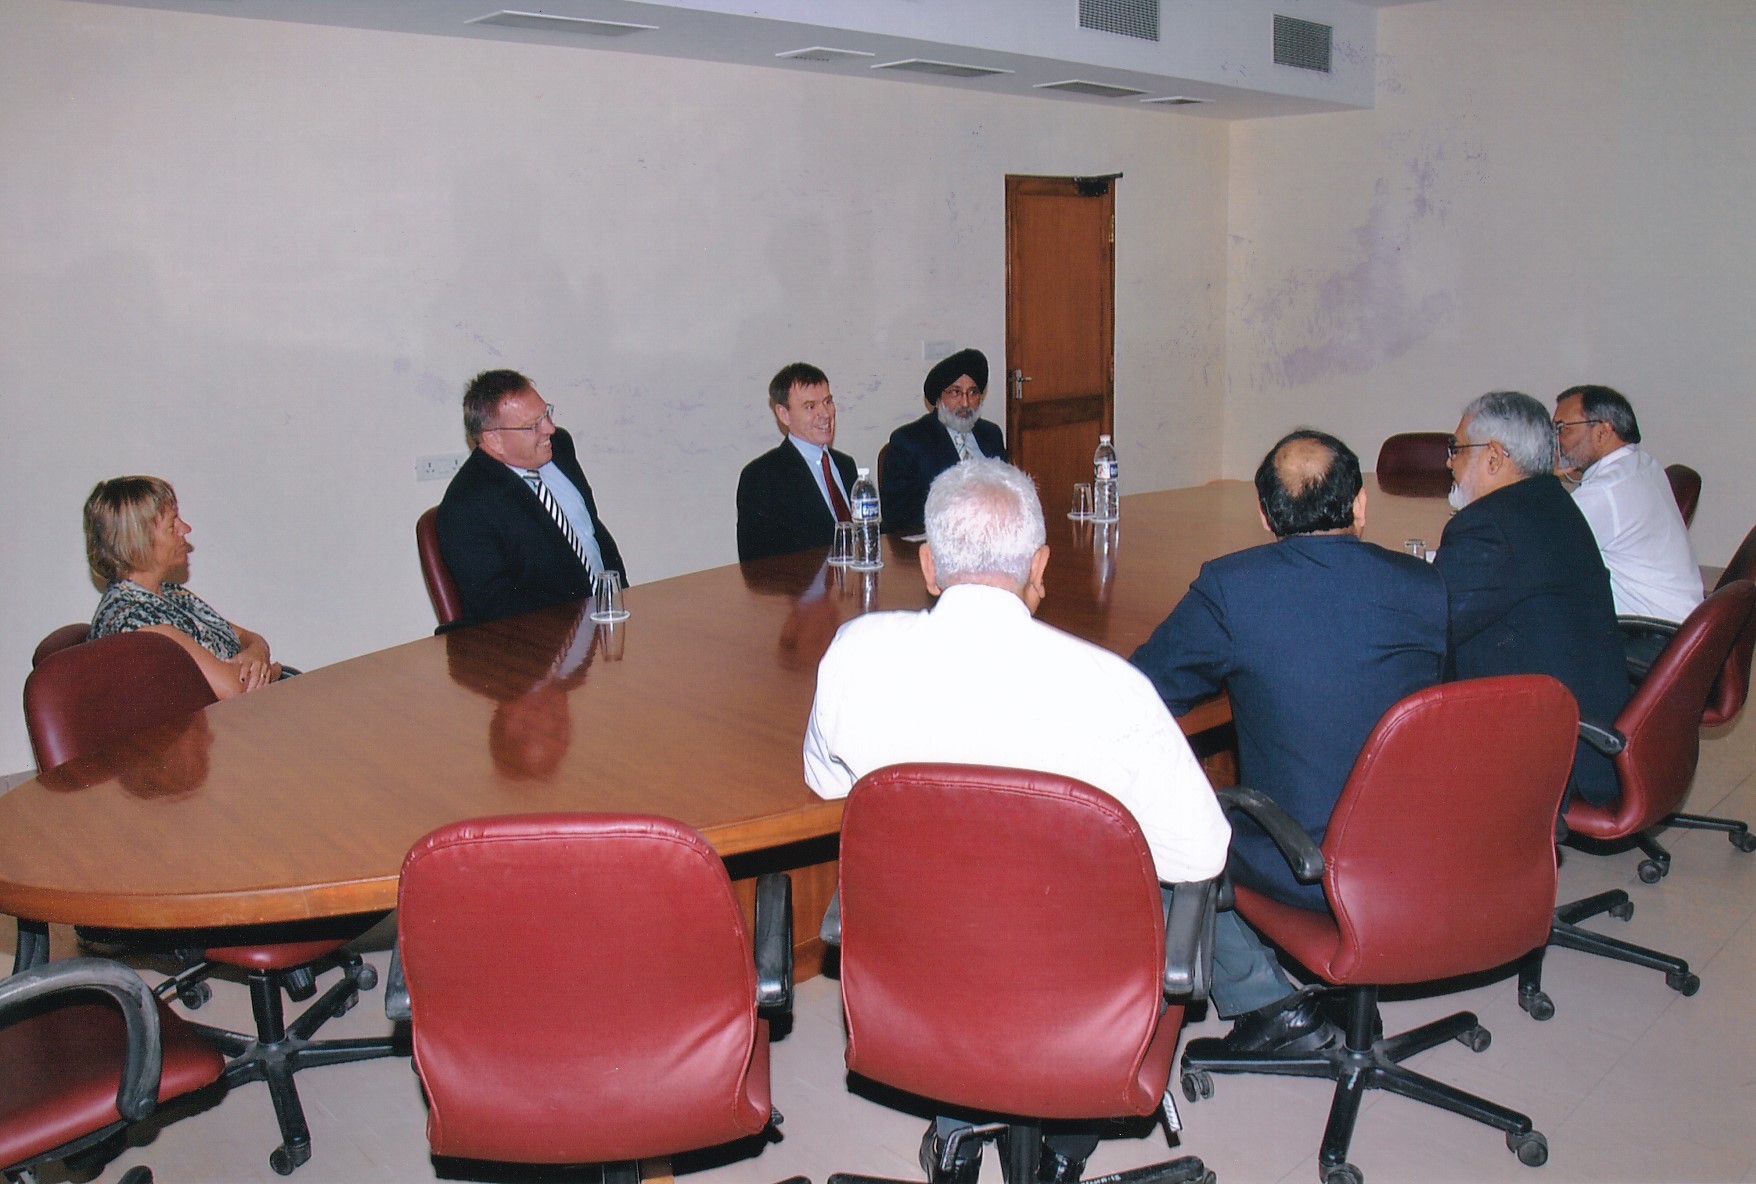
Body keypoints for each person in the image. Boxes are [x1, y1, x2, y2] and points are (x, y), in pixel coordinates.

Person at [804, 459, 1229, 1184]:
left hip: (920, 978)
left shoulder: (855, 654)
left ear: (929, 567)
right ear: (1040, 566)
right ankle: (1066, 1144)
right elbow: (1202, 854)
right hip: (1072, 998)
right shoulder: (1112, 689)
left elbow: (826, 782)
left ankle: (960, 1124)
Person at [1130, 430, 1447, 1055]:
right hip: (1419, 848)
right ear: (1360, 505)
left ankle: (1266, 1002)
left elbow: (1147, 691)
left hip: (1307, 865)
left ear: (1264, 515)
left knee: (1159, 819)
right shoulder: (1425, 586)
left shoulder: (1234, 587)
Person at [1437, 390, 1630, 805]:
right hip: (1591, 727)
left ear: (1493, 457)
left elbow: (1430, 625)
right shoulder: (1551, 501)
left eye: (1457, 449)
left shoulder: (1489, 525)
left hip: (1552, 753)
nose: (1449, 462)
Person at [436, 369, 626, 626]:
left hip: (609, 615)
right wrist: (581, 627)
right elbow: (496, 605)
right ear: (494, 439)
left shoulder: (559, 447)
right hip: (545, 638)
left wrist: (620, 599)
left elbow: (590, 531)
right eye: (532, 425)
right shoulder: (466, 506)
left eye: (546, 413)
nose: (549, 428)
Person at [84, 475, 282, 700]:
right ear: (138, 542)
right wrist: (273, 670)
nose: (186, 528)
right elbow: (233, 689)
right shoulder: (136, 621)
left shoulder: (171, 594)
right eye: (172, 525)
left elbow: (247, 636)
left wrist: (256, 654)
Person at [1553, 384, 1702, 638]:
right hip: (1682, 624)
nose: (1556, 440)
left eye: (1562, 428)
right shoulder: (1642, 463)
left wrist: (1530, 483)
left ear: (1602, 431)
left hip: (1648, 638)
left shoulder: (1605, 492)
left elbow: (1538, 549)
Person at [736, 362, 859, 562]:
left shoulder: (846, 465)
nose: (825, 414)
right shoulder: (762, 476)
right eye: (810, 406)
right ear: (784, 414)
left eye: (827, 401)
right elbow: (757, 564)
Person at [879, 347, 1008, 536]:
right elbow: (897, 514)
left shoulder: (991, 435)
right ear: (939, 399)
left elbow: (1008, 490)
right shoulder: (909, 440)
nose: (965, 403)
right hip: (937, 539)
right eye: (956, 392)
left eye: (973, 392)